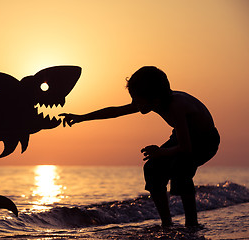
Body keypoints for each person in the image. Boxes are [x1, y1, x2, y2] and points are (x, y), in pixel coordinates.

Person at [59, 66, 220, 227]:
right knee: (151, 168)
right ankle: (167, 223)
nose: (133, 104)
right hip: (182, 138)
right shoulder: (155, 100)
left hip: (205, 141)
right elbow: (115, 111)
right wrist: (81, 118)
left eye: (136, 100)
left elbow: (186, 148)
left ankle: (192, 223)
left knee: (181, 169)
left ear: (154, 99)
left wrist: (161, 152)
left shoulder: (176, 105)